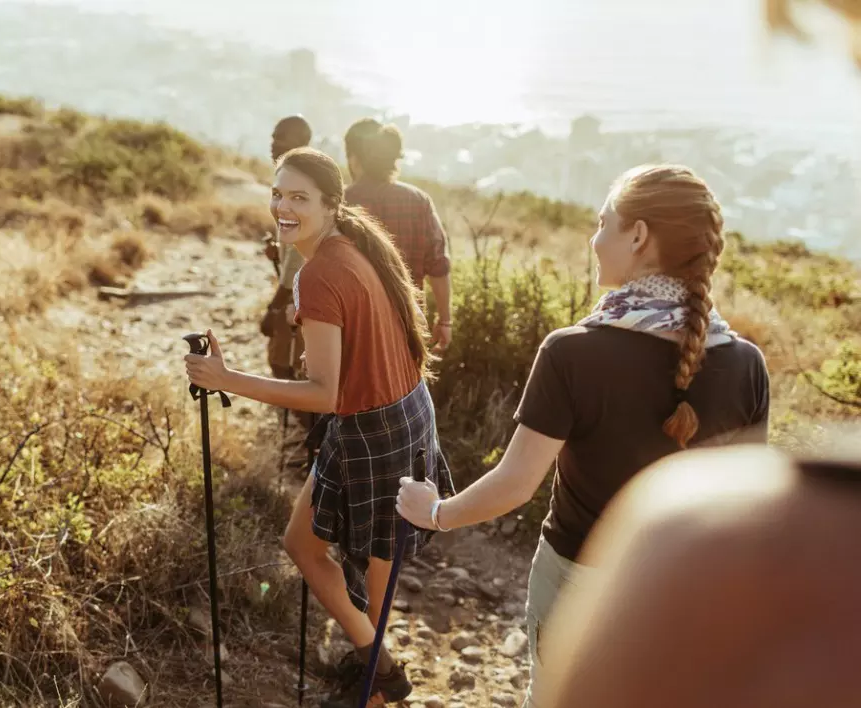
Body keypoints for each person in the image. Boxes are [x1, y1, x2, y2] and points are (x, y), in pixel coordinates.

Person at [395, 164, 771, 707]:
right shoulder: (747, 363)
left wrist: (433, 512)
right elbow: (750, 515)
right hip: (692, 592)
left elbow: (516, 485)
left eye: (603, 223)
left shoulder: (572, 352)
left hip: (580, 584)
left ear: (638, 235)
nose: (594, 240)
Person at [185, 147, 455, 707]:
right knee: (308, 545)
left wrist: (226, 377)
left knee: (359, 571)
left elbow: (322, 394)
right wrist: (309, 322)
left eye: (298, 197)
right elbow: (354, 329)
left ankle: (379, 678)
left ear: (332, 204)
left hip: (374, 428)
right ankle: (377, 666)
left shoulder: (318, 272)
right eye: (277, 193)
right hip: (404, 412)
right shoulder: (352, 246)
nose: (282, 206)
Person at [531, 443, 861, 708]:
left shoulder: (687, 520)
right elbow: (746, 462)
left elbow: (517, 482)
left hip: (596, 560)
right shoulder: (747, 364)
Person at [344, 119, 454, 351]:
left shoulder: (339, 203)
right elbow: (438, 265)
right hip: (407, 327)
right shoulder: (418, 201)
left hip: (349, 326)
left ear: (354, 159)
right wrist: (444, 320)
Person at [263, 115, 313, 382]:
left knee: (287, 363)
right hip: (295, 289)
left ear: (299, 143)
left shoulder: (300, 180)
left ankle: (302, 421)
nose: (273, 144)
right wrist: (278, 249)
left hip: (299, 294)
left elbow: (297, 260)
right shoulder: (291, 177)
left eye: (280, 138)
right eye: (273, 137)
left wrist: (273, 309)